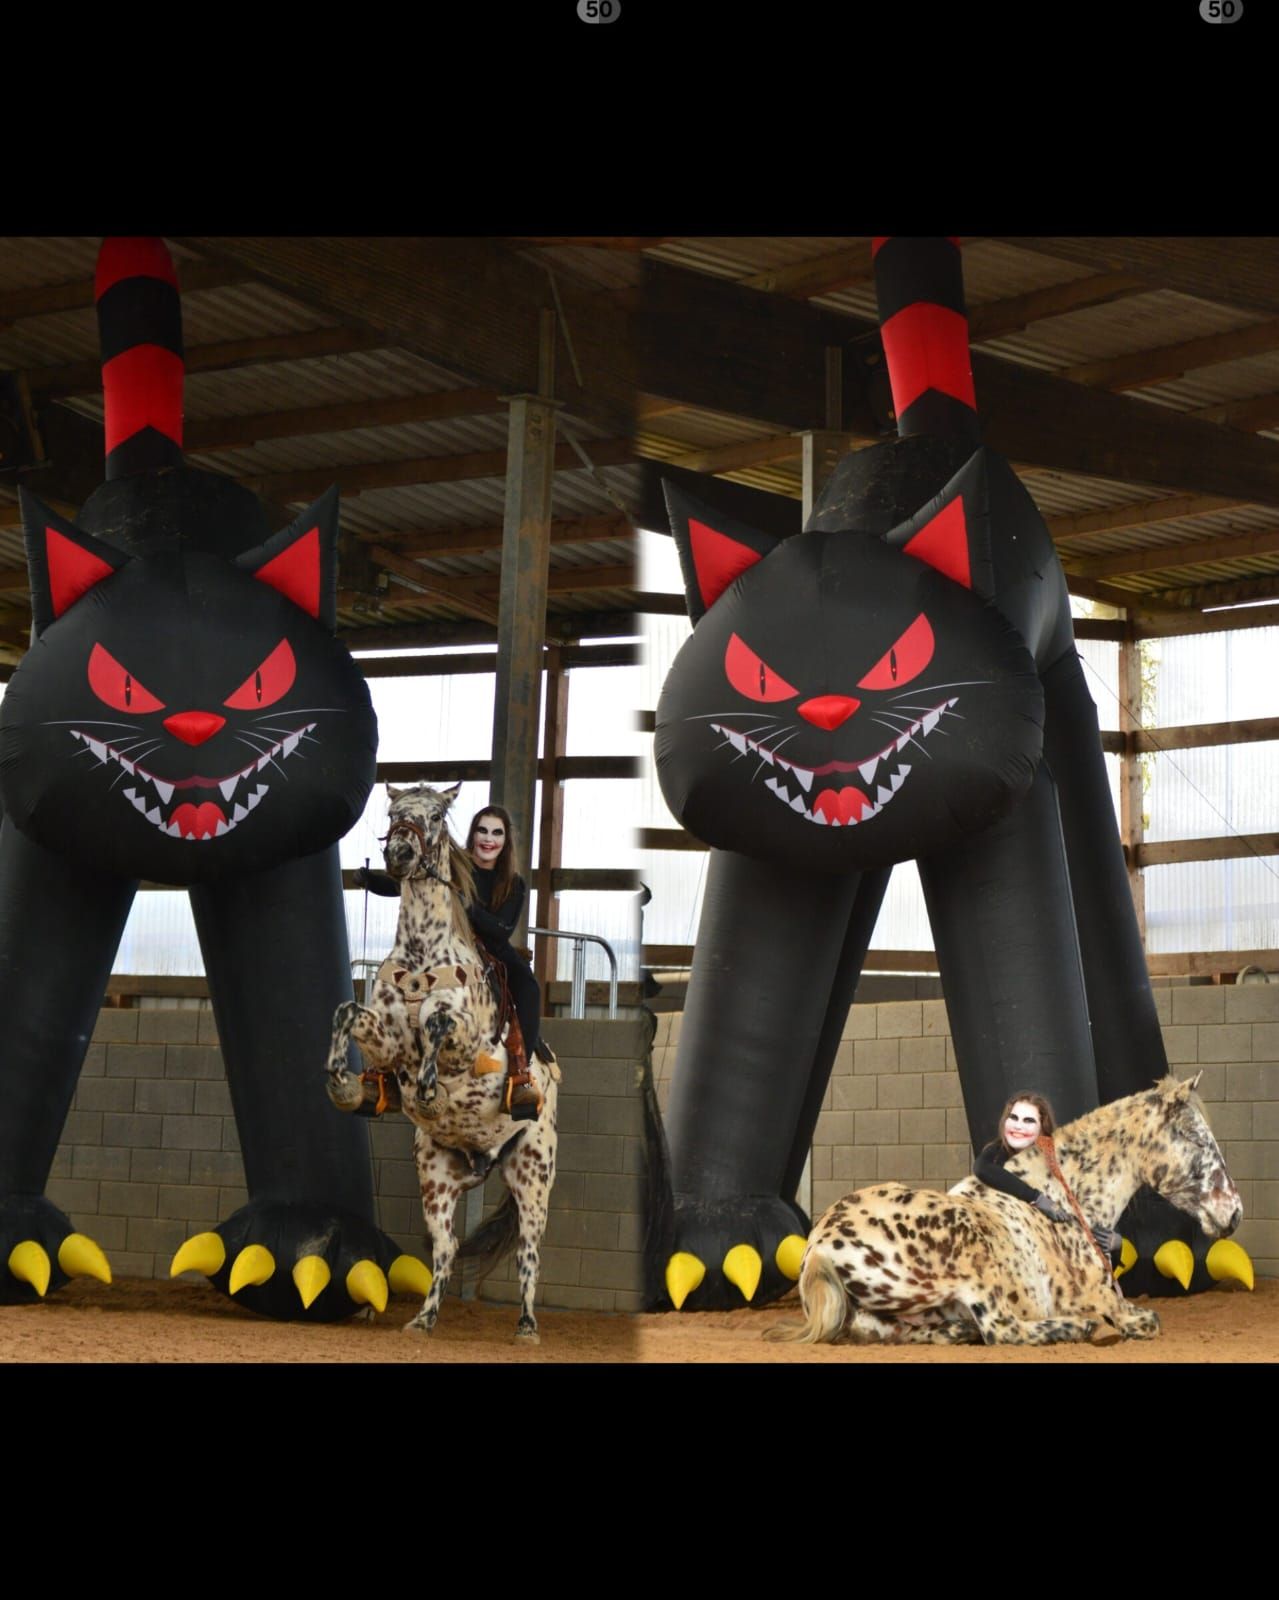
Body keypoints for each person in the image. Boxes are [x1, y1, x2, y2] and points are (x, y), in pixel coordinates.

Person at [355, 801, 545, 1119]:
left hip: (491, 947)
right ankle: (380, 1074)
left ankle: (520, 1073)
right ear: (473, 834)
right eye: (483, 830)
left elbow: (501, 930)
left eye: (496, 833)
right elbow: (407, 880)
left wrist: (464, 903)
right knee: (394, 978)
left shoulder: (514, 883)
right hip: (445, 946)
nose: (489, 839)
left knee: (529, 987)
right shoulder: (453, 867)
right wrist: (371, 881)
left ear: (505, 841)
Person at [974, 1091, 1123, 1263]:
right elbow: (981, 1168)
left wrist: (1116, 1241)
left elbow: (1087, 1203)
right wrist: (1036, 1198)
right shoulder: (997, 1152)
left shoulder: (1058, 1158)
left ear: (1042, 1128)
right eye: (1013, 1118)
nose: (1018, 1126)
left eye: (1028, 1120)